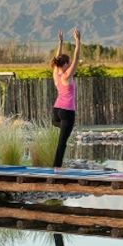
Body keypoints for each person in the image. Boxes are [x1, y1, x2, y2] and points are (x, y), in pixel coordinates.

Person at [50, 28, 82, 170]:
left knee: (60, 128)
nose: (69, 65)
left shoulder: (56, 73)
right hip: (67, 111)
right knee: (62, 142)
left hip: (56, 111)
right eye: (67, 63)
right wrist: (78, 41)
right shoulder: (66, 75)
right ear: (64, 65)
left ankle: (57, 166)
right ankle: (56, 167)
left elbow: (58, 59)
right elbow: (76, 58)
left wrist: (60, 43)